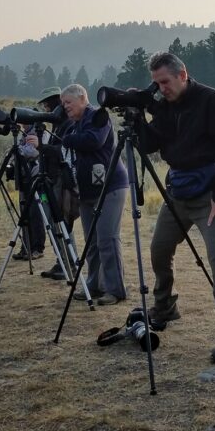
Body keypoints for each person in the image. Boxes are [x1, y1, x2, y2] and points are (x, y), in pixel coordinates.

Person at [141, 52, 215, 364]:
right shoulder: (165, 107)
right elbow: (149, 145)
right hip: (178, 192)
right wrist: (139, 119)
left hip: (209, 195)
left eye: (166, 82)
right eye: (156, 84)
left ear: (182, 74)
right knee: (159, 250)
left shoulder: (211, 101)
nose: (161, 89)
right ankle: (164, 307)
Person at [61, 83, 128, 306]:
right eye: (63, 104)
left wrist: (68, 139)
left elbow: (94, 141)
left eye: (68, 102)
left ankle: (115, 290)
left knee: (107, 238)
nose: (65, 107)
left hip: (110, 186)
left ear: (82, 98)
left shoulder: (98, 116)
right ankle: (94, 284)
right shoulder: (75, 124)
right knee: (92, 241)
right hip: (87, 189)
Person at [28, 86, 79, 281]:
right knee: (52, 222)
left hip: (59, 182)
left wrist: (41, 146)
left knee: (60, 223)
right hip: (48, 180)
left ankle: (69, 264)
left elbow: (61, 152)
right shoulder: (58, 123)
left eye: (49, 104)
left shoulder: (67, 124)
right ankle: (62, 261)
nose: (47, 108)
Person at [12, 121, 50, 260]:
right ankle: (26, 247)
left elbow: (32, 152)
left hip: (35, 178)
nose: (22, 125)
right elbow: (16, 153)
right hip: (24, 179)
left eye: (23, 122)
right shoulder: (25, 135)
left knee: (36, 214)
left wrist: (18, 150)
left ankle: (38, 248)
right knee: (24, 214)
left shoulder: (41, 133)